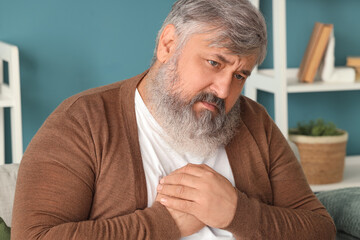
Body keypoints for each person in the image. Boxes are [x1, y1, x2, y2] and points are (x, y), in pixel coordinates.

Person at [12, 0, 336, 239]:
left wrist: (237, 212)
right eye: (214, 62)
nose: (224, 90)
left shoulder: (254, 122)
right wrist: (165, 223)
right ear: (168, 45)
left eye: (240, 75)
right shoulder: (82, 120)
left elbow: (320, 229)